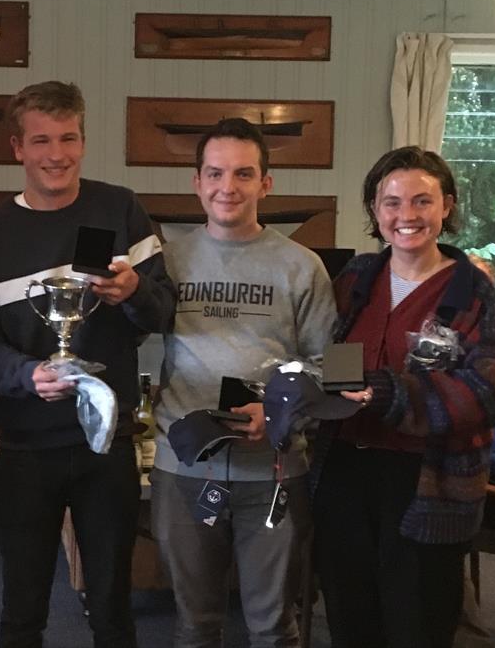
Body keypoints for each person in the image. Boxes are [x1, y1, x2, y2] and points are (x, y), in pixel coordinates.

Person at [0, 80, 176, 648]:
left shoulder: (119, 207)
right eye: (42, 140)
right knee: (22, 607)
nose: (57, 153)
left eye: (69, 138)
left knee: (111, 607)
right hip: (26, 444)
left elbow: (165, 311)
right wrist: (25, 375)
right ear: (17, 148)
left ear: (83, 140)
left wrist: (133, 295)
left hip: (107, 444)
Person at [151, 118, 337, 647]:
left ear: (265, 184)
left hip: (273, 473)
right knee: (194, 625)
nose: (226, 187)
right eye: (214, 173)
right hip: (185, 469)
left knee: (274, 627)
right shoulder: (166, 262)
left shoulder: (302, 266)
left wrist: (279, 412)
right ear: (196, 182)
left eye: (242, 173)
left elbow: (326, 367)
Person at [311, 146, 495, 648]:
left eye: (422, 201)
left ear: (446, 206)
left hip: (426, 481)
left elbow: (488, 391)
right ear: (375, 212)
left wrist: (389, 393)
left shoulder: (473, 290)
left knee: (416, 622)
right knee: (350, 615)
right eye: (392, 202)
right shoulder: (356, 279)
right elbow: (327, 354)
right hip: (344, 472)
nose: (406, 216)